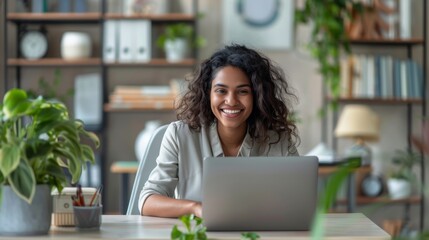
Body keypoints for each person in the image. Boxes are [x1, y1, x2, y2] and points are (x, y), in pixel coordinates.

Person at [139, 44, 300, 218]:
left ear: (257, 96)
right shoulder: (180, 136)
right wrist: (195, 208)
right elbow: (147, 201)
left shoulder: (278, 140)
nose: (231, 101)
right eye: (221, 91)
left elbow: (302, 201)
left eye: (243, 91)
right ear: (208, 94)